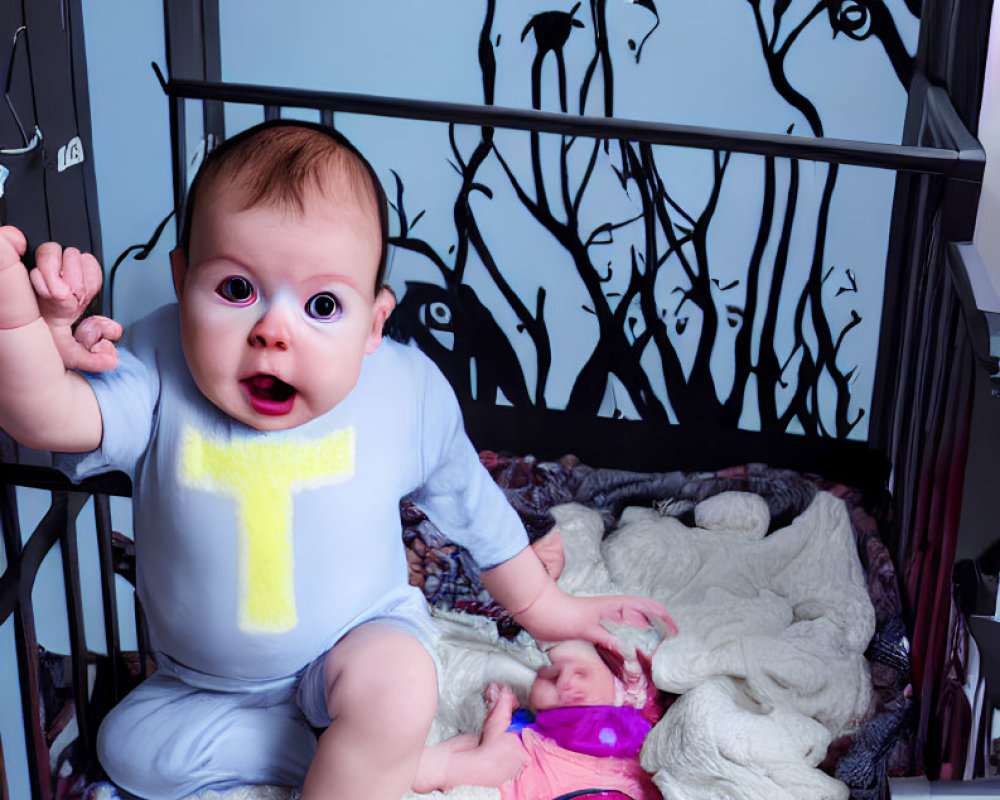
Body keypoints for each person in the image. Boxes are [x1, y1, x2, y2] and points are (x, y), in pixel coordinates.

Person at [0, 119, 675, 800]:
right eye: (236, 290)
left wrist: (547, 608)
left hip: (352, 646)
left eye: (322, 304)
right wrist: (17, 323)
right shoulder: (153, 361)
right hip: (205, 685)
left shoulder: (406, 396)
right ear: (181, 282)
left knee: (402, 682)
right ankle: (391, 769)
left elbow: (477, 512)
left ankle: (369, 754)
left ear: (375, 323)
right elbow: (44, 415)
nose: (273, 332)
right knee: (128, 749)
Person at [412, 640, 664, 799]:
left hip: (519, 776)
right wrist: (502, 708)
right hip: (514, 781)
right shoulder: (534, 734)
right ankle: (410, 771)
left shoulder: (626, 726)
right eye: (552, 679)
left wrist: (501, 708)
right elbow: (497, 741)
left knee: (491, 753)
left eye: (581, 673)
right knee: (477, 749)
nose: (566, 683)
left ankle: (413, 771)